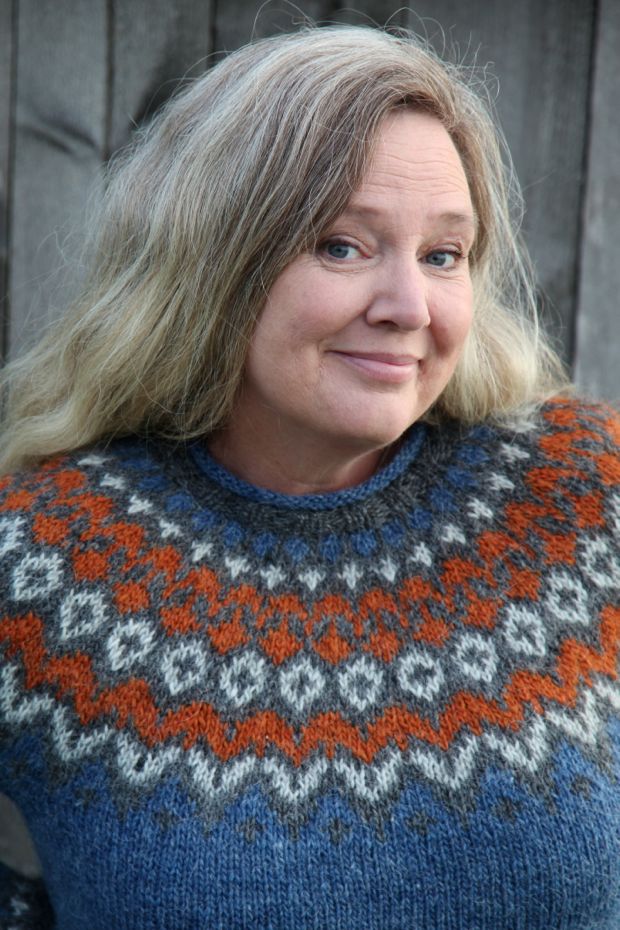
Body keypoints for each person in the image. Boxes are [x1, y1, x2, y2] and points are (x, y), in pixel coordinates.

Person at [0, 23, 618, 930]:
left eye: (443, 255)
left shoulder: (585, 498)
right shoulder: (48, 562)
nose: (409, 306)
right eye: (342, 245)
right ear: (215, 263)